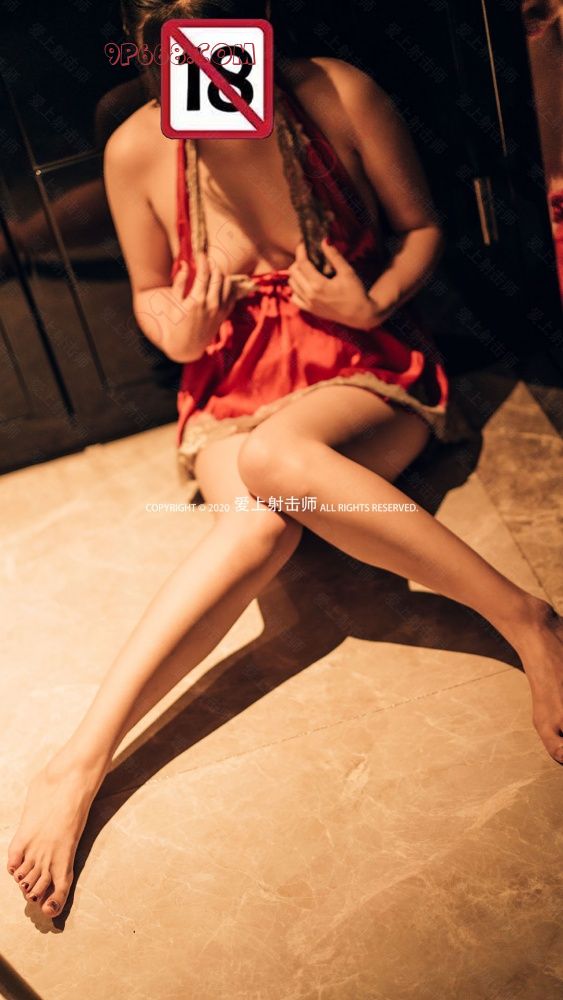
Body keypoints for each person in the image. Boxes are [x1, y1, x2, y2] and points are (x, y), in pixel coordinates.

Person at [7, 0, 562, 920]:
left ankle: (528, 622)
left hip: (359, 362)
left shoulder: (337, 94)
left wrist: (370, 302)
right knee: (259, 529)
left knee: (277, 459)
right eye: (186, 60)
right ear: (152, 56)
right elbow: (149, 293)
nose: (215, 76)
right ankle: (79, 761)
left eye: (229, 48)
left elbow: (422, 229)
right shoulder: (138, 148)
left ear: (258, 29)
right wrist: (176, 329)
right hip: (230, 384)